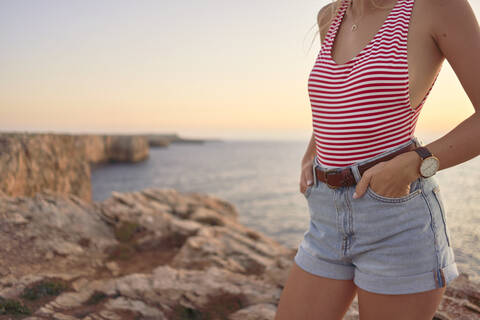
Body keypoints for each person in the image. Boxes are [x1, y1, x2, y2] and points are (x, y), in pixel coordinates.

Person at [275, 0, 480, 319]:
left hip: (396, 218)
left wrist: (416, 162)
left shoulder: (437, 6)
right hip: (326, 218)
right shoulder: (330, 16)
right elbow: (341, 99)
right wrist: (310, 154)